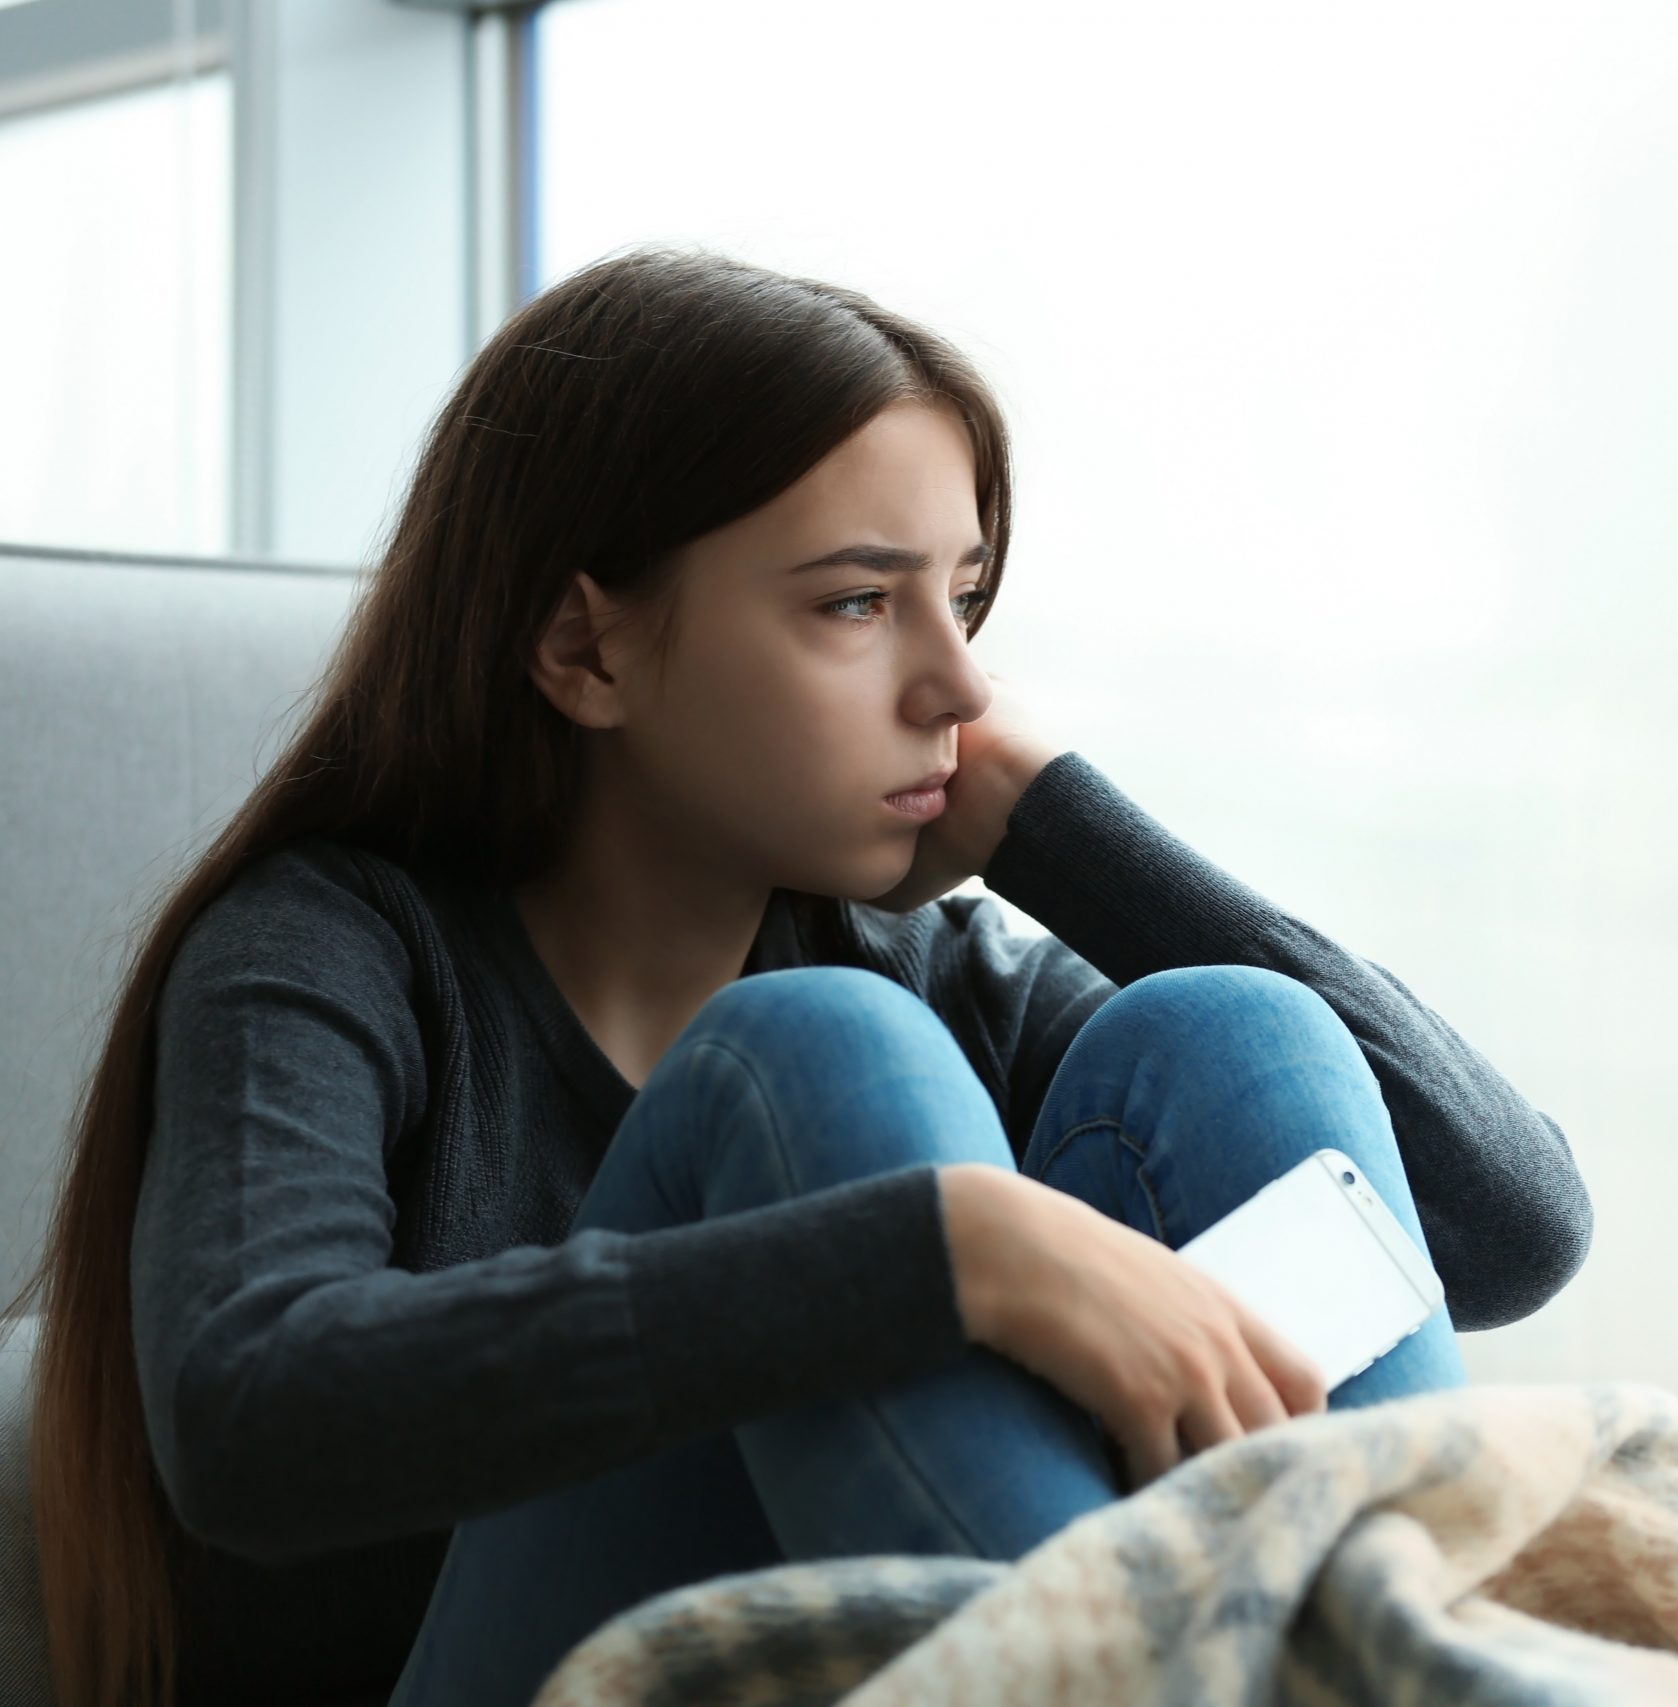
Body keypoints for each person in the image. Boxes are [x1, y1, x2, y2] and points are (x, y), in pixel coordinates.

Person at [1, 243, 1595, 1707]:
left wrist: (1072, 838)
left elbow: (1510, 1226)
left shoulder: (941, 963)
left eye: (962, 597)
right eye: (857, 603)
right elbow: (250, 1423)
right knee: (817, 1054)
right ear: (590, 651)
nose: (960, 683)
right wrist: (944, 1251)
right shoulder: (327, 951)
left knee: (1227, 1030)